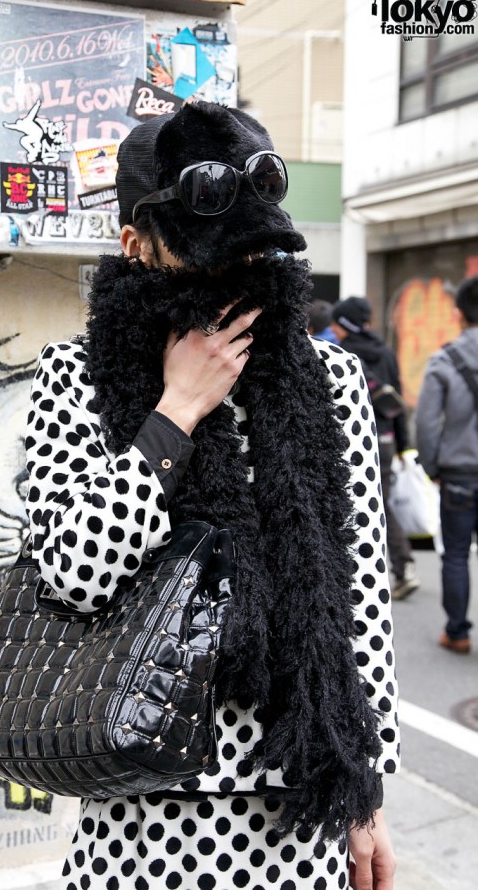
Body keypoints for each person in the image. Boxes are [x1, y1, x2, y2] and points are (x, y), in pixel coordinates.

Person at [25, 102, 399, 890]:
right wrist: (175, 413)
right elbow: (71, 571)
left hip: (300, 805)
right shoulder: (75, 376)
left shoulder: (328, 378)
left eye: (252, 252)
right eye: (208, 255)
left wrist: (362, 796)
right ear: (135, 245)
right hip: (142, 800)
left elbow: (358, 586)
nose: (236, 276)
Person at [331, 297, 420, 602]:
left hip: (355, 442)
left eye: (336, 323)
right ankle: (394, 567)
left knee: (366, 506)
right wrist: (404, 447)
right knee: (378, 503)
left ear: (343, 325)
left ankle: (396, 566)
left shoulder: (344, 355)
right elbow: (398, 405)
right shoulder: (386, 352)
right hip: (386, 441)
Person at [416, 277, 478, 654]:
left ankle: (457, 632)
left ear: (458, 314)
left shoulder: (445, 360)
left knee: (455, 554)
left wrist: (431, 465)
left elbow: (425, 423)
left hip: (458, 474)